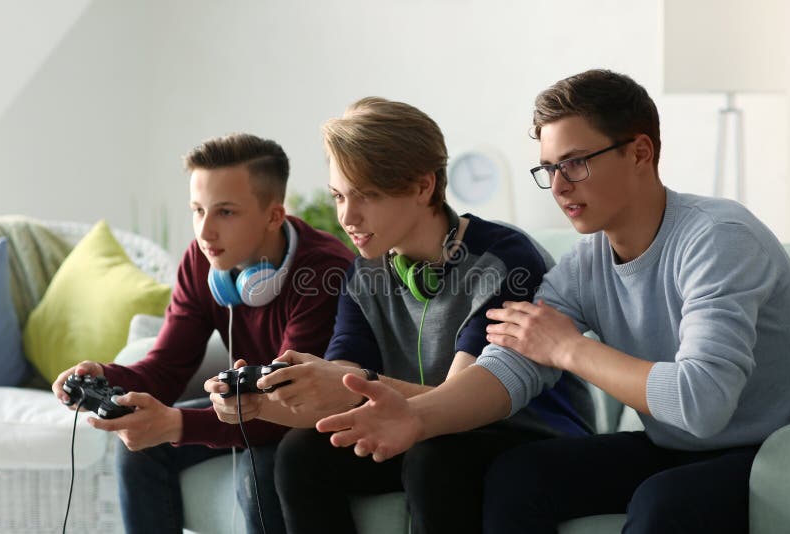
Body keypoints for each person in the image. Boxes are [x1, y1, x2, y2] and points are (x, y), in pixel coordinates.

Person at [317, 70, 790, 533]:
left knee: (664, 502)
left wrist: (570, 350)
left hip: (771, 449)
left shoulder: (718, 238)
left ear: (640, 152)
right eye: (549, 168)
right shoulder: (586, 264)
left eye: (575, 163)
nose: (560, 185)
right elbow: (511, 365)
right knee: (518, 477)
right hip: (677, 444)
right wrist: (418, 416)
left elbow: (701, 403)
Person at [205, 97, 595, 534]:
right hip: (416, 428)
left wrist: (349, 385)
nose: (347, 217)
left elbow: (460, 400)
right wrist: (262, 404)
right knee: (300, 453)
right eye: (339, 196)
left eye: (367, 196)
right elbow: (344, 388)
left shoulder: (504, 261)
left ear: (423, 186)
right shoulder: (364, 273)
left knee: (437, 458)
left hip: (522, 434)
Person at [52, 133, 354, 534]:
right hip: (247, 406)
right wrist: (106, 377)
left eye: (225, 212)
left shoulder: (322, 271)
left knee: (260, 468)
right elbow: (166, 368)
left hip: (306, 421)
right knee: (140, 451)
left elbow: (288, 407)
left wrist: (175, 423)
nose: (205, 232)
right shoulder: (202, 261)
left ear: (273, 216)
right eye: (198, 210)